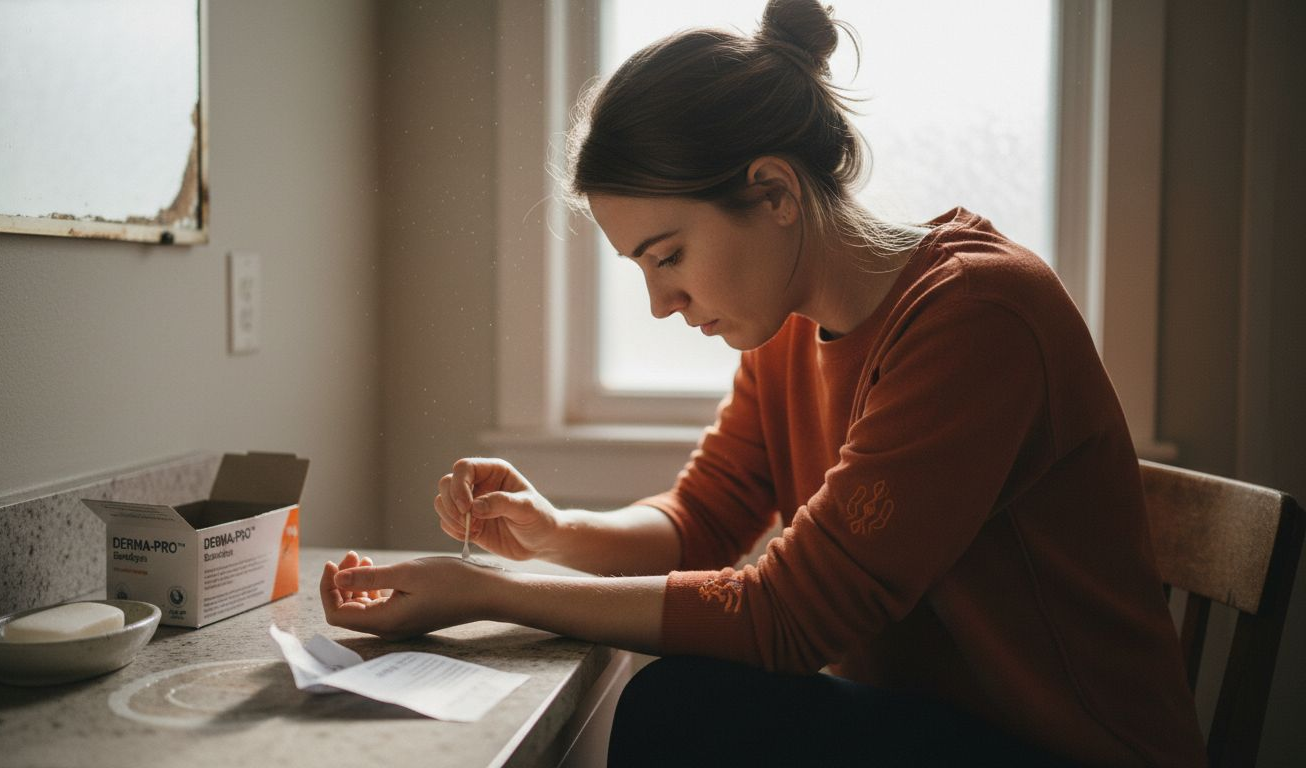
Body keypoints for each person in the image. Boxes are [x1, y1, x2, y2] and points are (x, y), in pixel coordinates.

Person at [320, 0, 1206, 764]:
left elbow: (787, 618)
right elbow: (700, 522)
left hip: (1065, 754)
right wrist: (555, 532)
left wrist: (483, 590)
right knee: (689, 705)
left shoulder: (977, 316)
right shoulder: (786, 332)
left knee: (685, 713)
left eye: (668, 256)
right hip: (934, 728)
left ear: (775, 192)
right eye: (640, 267)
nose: (663, 303)